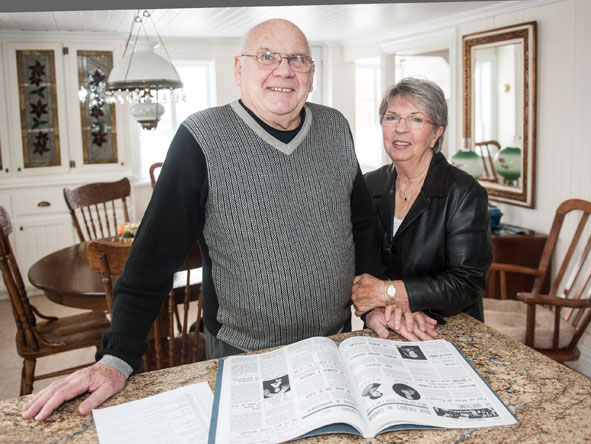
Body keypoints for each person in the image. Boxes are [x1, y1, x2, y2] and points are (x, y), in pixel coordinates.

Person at [23, 18, 390, 421]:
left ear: (311, 74)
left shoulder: (336, 127)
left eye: (297, 59)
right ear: (239, 69)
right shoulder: (201, 137)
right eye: (266, 57)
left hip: (333, 342)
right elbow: (152, 259)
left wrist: (372, 303)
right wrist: (117, 357)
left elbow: (361, 226)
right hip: (244, 353)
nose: (283, 70)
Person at [352, 77, 492, 340]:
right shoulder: (369, 185)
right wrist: (373, 310)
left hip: (444, 330)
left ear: (436, 133)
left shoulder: (464, 192)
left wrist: (390, 292)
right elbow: (360, 266)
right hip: (384, 326)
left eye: (416, 119)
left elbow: (466, 283)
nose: (400, 129)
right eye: (392, 117)